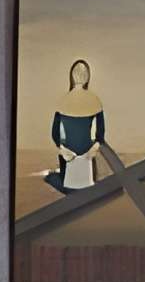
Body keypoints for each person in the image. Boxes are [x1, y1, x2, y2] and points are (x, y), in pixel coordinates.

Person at [43, 57, 106, 193]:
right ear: (88, 77)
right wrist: (92, 150)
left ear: (71, 76)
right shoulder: (95, 101)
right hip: (84, 157)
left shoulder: (63, 101)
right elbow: (100, 135)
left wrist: (63, 150)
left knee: (53, 178)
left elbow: (55, 134)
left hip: (72, 157)